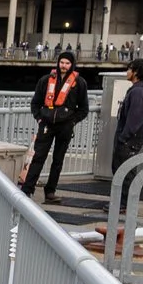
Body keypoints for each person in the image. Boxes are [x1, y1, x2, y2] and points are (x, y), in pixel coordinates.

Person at [22, 48, 90, 204]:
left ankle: (50, 192)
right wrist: (39, 119)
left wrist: (72, 122)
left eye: (67, 63)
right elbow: (36, 103)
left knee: (58, 160)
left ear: (72, 65)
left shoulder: (79, 83)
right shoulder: (46, 80)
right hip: (46, 124)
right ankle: (27, 189)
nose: (64, 66)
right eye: (62, 62)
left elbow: (84, 109)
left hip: (65, 126)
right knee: (38, 157)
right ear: (58, 63)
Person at [112, 57, 143, 170]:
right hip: (129, 140)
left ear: (136, 72)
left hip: (129, 141)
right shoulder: (139, 90)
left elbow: (135, 118)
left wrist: (123, 138)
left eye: (129, 69)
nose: (127, 72)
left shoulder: (138, 92)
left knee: (124, 174)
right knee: (121, 172)